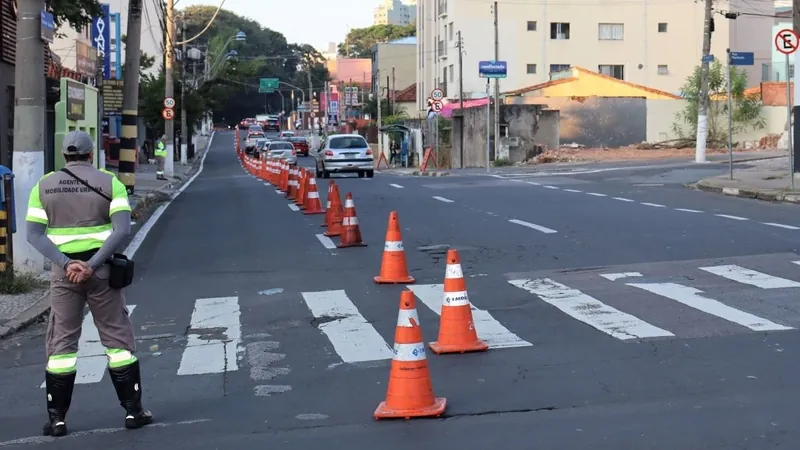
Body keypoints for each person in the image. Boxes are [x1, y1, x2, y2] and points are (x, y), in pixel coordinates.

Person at [25, 131, 153, 437]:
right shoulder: (111, 183)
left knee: (62, 345)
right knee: (117, 340)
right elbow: (121, 230)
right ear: (91, 154)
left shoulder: (43, 186)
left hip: (64, 274)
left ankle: (57, 419)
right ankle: (133, 412)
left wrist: (68, 264)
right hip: (103, 273)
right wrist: (92, 265)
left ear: (64, 155)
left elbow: (34, 234)